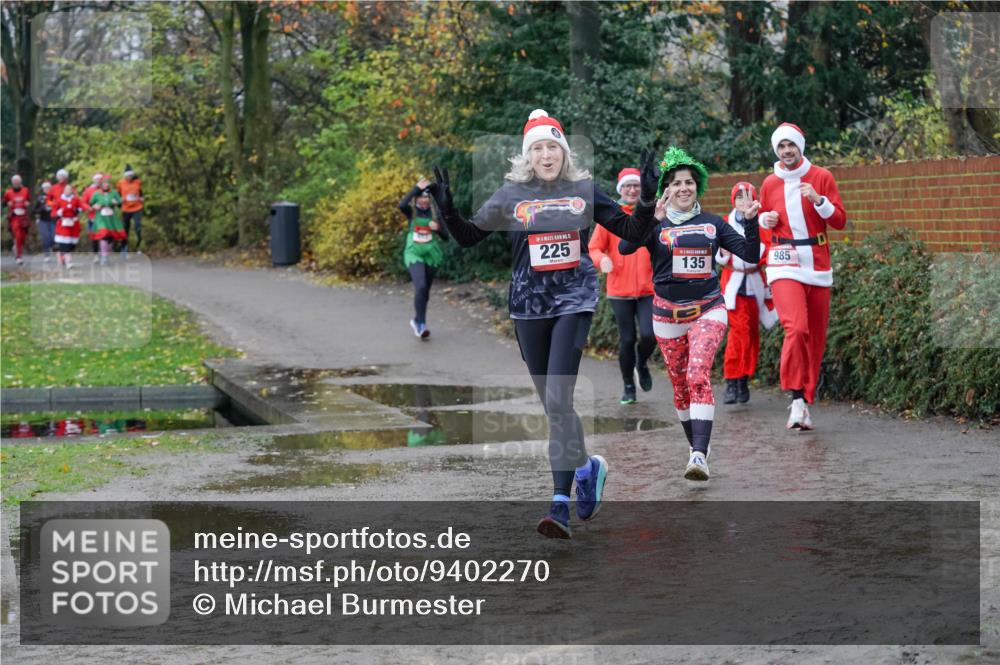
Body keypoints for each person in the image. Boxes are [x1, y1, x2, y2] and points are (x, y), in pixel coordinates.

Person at [427, 109, 661, 538]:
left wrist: (646, 199)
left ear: (564, 152)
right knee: (556, 407)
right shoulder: (510, 194)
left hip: (574, 301)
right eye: (538, 148)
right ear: (528, 156)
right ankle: (587, 468)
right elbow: (469, 236)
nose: (546, 154)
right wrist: (447, 211)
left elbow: (632, 231)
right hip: (528, 307)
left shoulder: (583, 191)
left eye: (553, 146)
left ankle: (558, 505)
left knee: (558, 398)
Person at [620, 147, 761, 482]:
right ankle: (697, 447)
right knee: (681, 386)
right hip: (666, 316)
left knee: (698, 374)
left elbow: (750, 254)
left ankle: (698, 453)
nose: (684, 188)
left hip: (708, 309)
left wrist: (751, 222)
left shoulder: (713, 224)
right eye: (676, 183)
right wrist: (650, 218)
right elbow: (625, 248)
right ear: (666, 189)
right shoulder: (656, 223)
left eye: (689, 182)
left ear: (698, 186)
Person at [757, 123, 847, 430]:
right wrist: (764, 220)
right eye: (781, 146)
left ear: (800, 147)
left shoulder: (821, 177)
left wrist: (819, 201)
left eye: (791, 145)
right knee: (796, 328)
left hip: (817, 263)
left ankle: (805, 400)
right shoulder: (770, 183)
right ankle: (795, 397)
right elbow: (762, 222)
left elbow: (840, 221)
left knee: (815, 336)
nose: (786, 151)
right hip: (783, 262)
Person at [588, 167, 656, 404]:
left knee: (650, 335)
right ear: (620, 189)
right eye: (627, 186)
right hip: (620, 290)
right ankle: (628, 385)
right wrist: (602, 260)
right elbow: (594, 248)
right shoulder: (612, 216)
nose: (632, 190)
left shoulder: (651, 214)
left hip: (649, 288)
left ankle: (642, 362)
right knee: (627, 340)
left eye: (636, 185)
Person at [716, 182, 777, 404]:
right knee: (738, 331)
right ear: (733, 200)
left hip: (755, 283)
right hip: (733, 284)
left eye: (748, 196)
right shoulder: (725, 223)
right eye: (739, 197)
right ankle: (732, 380)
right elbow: (717, 253)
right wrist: (722, 253)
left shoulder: (761, 222)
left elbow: (769, 248)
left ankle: (743, 380)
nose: (744, 201)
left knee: (751, 334)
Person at [399, 177, 450, 338]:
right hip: (414, 253)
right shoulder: (411, 212)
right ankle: (421, 325)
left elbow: (446, 237)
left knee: (425, 291)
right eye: (421, 197)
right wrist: (416, 188)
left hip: (431, 254)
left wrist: (438, 228)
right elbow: (401, 205)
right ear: (416, 199)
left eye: (426, 197)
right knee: (420, 286)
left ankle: (417, 320)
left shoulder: (435, 213)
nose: (424, 200)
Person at [88, 177, 126, 265]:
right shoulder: (97, 193)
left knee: (110, 238)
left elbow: (120, 202)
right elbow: (90, 203)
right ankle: (104, 257)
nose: (106, 185)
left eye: (107, 183)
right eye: (104, 183)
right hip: (100, 217)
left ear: (110, 184)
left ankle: (106, 255)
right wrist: (95, 206)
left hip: (111, 218)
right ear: (101, 185)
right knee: (103, 235)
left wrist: (117, 202)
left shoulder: (114, 192)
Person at [52, 183, 85, 269]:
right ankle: (68, 262)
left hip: (73, 224)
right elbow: (53, 213)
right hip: (63, 224)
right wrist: (58, 212)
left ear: (72, 191)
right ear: (64, 191)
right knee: (65, 243)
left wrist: (79, 210)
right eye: (66, 189)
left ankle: (62, 255)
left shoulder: (76, 199)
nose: (68, 191)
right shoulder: (59, 200)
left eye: (69, 189)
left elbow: (82, 206)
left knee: (72, 244)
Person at [2, 175, 31, 265]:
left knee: (23, 236)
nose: (15, 183)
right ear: (12, 183)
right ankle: (19, 257)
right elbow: (3, 203)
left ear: (20, 182)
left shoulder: (25, 190)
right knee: (18, 235)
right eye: (14, 181)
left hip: (24, 217)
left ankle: (16, 246)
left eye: (17, 181)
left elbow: (29, 200)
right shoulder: (8, 192)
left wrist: (27, 203)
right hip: (14, 217)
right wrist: (8, 203)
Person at [117, 165, 144, 257]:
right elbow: (118, 194)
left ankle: (138, 247)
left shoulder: (137, 182)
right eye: (127, 176)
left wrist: (141, 197)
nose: (129, 177)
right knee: (125, 229)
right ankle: (124, 248)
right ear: (125, 176)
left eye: (130, 176)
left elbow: (140, 192)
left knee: (138, 227)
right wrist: (120, 201)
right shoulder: (121, 183)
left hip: (137, 207)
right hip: (126, 209)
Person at [81, 172, 103, 261]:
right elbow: (83, 202)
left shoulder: (105, 189)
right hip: (93, 216)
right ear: (94, 180)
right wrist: (90, 208)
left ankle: (104, 254)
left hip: (104, 216)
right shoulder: (88, 190)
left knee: (105, 235)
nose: (98, 181)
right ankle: (96, 254)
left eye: (100, 179)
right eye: (97, 179)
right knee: (94, 236)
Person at [34, 181, 55, 260]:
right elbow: (34, 210)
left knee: (53, 237)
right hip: (43, 220)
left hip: (53, 220)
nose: (47, 189)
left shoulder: (54, 197)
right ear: (43, 189)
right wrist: (41, 209)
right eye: (45, 188)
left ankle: (51, 247)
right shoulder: (40, 198)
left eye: (48, 188)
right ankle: (47, 254)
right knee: (45, 237)